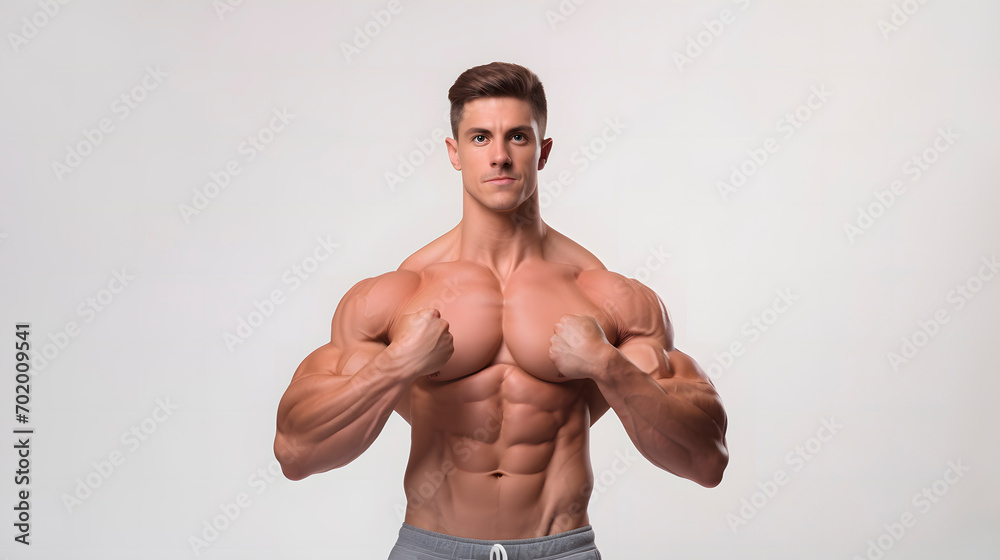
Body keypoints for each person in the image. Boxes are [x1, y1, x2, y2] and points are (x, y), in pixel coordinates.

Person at [273, 61, 729, 560]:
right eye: (479, 138)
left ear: (543, 150)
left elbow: (706, 461)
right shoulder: (398, 297)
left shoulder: (606, 298)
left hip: (560, 549)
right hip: (431, 547)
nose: (499, 157)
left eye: (517, 137)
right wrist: (396, 365)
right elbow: (296, 453)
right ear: (454, 152)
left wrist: (608, 366)